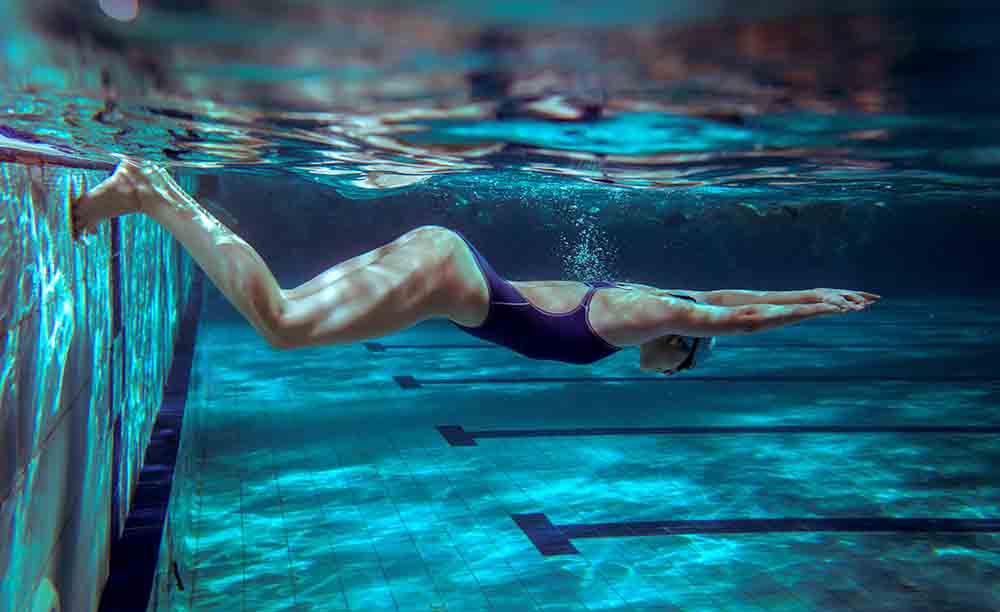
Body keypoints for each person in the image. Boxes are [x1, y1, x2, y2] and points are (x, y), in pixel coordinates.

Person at [71, 158, 879, 375]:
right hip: (443, 278)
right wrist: (817, 307)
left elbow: (717, 297)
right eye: (683, 361)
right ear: (679, 343)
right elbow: (729, 313)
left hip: (444, 267)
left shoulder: (645, 303)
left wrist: (814, 291)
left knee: (284, 318)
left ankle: (146, 193)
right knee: (279, 323)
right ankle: (151, 193)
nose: (669, 367)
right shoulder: (643, 317)